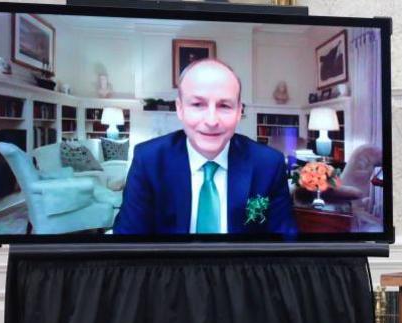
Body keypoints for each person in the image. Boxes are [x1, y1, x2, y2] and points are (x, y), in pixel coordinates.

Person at [113, 58, 295, 236]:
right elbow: (128, 243)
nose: (211, 121)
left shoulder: (269, 164)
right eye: (198, 104)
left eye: (224, 105)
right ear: (180, 109)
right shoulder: (148, 160)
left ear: (239, 112)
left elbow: (285, 244)